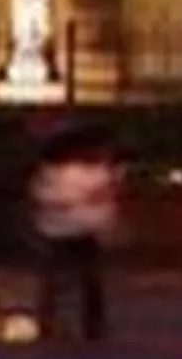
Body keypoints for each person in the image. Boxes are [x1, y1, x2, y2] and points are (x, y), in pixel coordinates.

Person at [29, 120, 123, 340]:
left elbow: (45, 196)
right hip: (71, 229)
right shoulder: (76, 173)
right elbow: (50, 197)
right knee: (79, 278)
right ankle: (73, 323)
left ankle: (60, 322)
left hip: (67, 229)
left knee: (72, 278)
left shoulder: (56, 173)